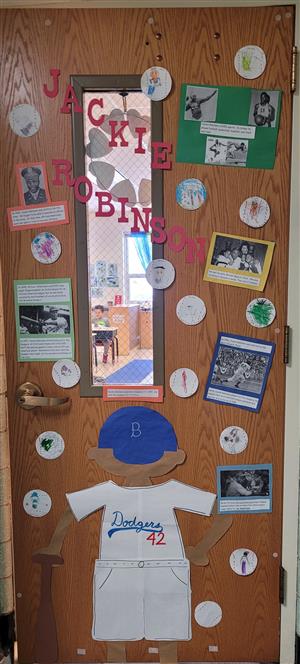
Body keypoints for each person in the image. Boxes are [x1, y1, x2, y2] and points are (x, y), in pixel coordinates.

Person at [33, 407, 232, 664]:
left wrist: (202, 548)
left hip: (164, 572)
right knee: (118, 633)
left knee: (166, 633)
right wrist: (53, 546)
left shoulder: (170, 491)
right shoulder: (109, 492)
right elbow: (71, 510)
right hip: (119, 573)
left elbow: (222, 512)